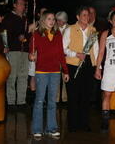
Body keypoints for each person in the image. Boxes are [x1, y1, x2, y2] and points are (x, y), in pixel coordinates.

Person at [29, 10, 69, 139]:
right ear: (43, 20)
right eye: (49, 19)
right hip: (41, 72)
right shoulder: (36, 34)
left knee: (52, 101)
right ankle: (37, 129)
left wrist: (65, 70)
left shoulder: (58, 35)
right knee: (40, 100)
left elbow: (60, 54)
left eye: (53, 19)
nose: (52, 21)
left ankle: (51, 128)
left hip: (55, 72)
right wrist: (31, 55)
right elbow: (31, 52)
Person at [63, 6, 99, 132]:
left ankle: (84, 123)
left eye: (88, 15)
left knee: (86, 95)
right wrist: (76, 54)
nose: (87, 17)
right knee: (73, 96)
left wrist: (97, 68)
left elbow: (96, 49)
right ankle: (72, 125)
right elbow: (63, 49)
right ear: (78, 17)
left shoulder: (93, 30)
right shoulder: (70, 29)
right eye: (84, 15)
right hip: (73, 64)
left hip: (88, 64)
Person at [1, 0, 29, 108]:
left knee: (23, 76)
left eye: (24, 4)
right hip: (13, 50)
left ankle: (21, 101)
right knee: (12, 77)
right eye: (20, 4)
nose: (23, 6)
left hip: (25, 51)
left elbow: (27, 36)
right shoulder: (9, 18)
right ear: (15, 5)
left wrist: (28, 33)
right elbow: (4, 34)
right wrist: (6, 45)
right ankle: (11, 102)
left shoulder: (25, 19)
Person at [28, 7, 47, 92]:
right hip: (35, 53)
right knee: (33, 74)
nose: (44, 14)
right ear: (39, 14)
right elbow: (27, 38)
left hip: (45, 54)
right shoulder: (34, 25)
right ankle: (33, 93)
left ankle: (41, 94)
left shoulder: (50, 25)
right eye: (43, 13)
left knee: (43, 75)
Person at [55, 11, 69, 104]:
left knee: (66, 77)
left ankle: (64, 99)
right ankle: (55, 99)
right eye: (57, 20)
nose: (58, 22)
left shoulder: (70, 28)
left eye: (60, 20)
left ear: (65, 20)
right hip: (56, 56)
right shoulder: (53, 28)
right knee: (55, 77)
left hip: (66, 56)